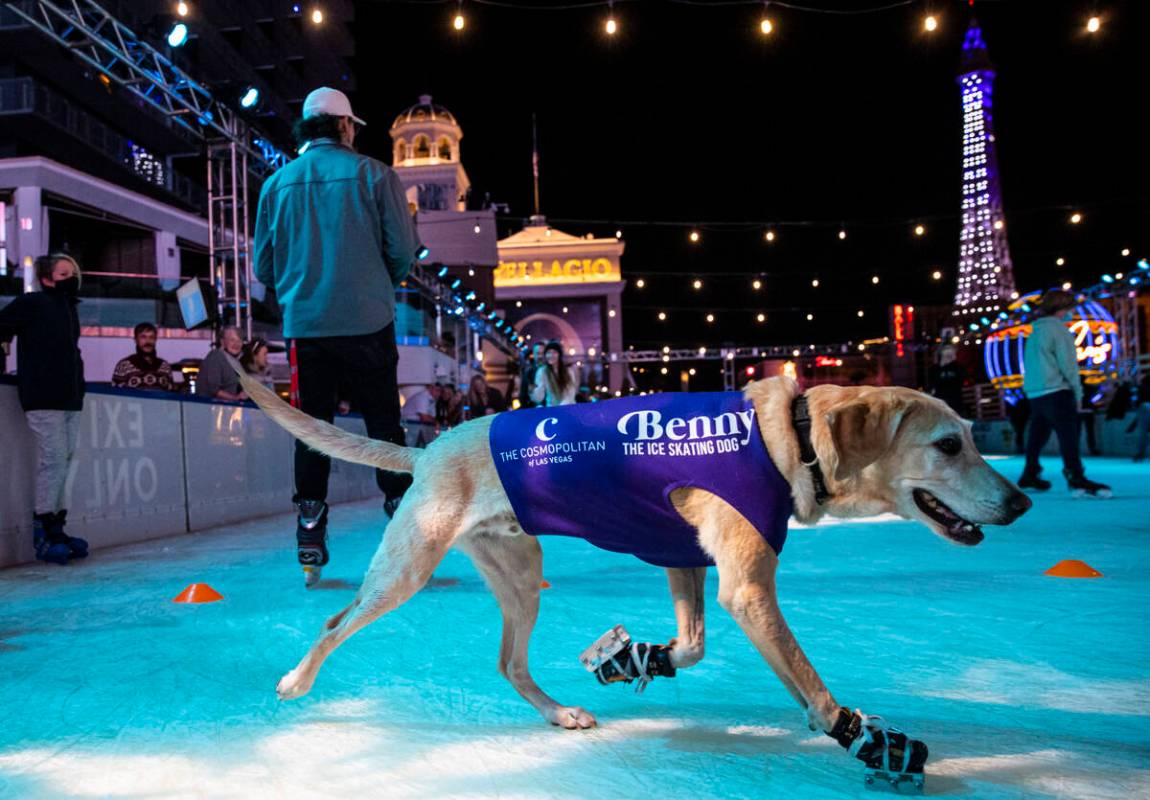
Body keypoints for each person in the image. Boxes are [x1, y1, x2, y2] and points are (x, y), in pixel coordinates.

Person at [254, 86, 417, 586]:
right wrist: (374, 282)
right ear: (346, 127)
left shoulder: (277, 184)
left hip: (307, 328)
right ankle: (404, 525)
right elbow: (404, 252)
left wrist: (301, 285)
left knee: (314, 430)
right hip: (368, 321)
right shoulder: (376, 175)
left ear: (308, 128)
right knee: (385, 427)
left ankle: (309, 527)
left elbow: (263, 265)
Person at [0, 253, 90, 564]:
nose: (71, 278)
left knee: (64, 460)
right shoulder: (33, 303)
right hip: (43, 395)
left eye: (73, 272)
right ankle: (43, 531)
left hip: (70, 396)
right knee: (53, 460)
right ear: (47, 279)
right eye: (64, 273)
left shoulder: (68, 308)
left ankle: (57, 527)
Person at [1018, 289, 1110, 496]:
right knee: (1068, 435)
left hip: (1036, 393)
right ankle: (1075, 476)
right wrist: (1077, 393)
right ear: (1062, 309)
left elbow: (1030, 364)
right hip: (1057, 391)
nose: (1072, 313)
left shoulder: (1035, 331)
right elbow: (1068, 365)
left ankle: (1030, 473)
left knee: (1037, 435)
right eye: (1070, 309)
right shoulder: (1059, 330)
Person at [111, 322, 175, 392]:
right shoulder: (124, 366)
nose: (148, 341)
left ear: (155, 340)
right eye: (143, 337)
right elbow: (116, 396)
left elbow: (171, 395)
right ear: (135, 340)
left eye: (151, 337)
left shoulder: (165, 366)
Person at [195, 326, 247, 401]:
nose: (236, 344)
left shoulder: (236, 361)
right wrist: (236, 398)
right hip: (211, 407)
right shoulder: (216, 356)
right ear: (222, 342)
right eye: (232, 340)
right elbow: (213, 389)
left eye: (239, 341)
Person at [531, 340, 578, 407]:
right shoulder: (542, 371)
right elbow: (539, 398)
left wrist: (559, 408)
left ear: (559, 355)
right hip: (552, 410)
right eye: (548, 353)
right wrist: (537, 389)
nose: (551, 355)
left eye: (554, 352)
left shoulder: (568, 371)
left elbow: (570, 395)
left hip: (568, 408)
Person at [927, 344, 966, 416]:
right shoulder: (934, 369)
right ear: (942, 352)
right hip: (941, 403)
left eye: (951, 350)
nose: (948, 352)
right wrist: (942, 365)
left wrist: (953, 363)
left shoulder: (958, 367)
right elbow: (931, 384)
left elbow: (962, 380)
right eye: (946, 349)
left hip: (956, 404)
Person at [402, 383, 441, 447]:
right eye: (437, 390)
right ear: (431, 388)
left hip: (420, 427)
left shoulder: (432, 399)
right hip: (411, 425)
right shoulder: (422, 397)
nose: (439, 393)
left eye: (440, 391)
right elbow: (424, 417)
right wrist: (436, 422)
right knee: (411, 447)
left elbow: (431, 416)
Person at [517, 343, 543, 409]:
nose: (540, 356)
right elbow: (523, 397)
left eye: (542, 353)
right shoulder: (528, 373)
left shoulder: (551, 372)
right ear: (534, 354)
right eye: (538, 353)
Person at [1134, 371, 1150, 463]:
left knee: (1143, 433)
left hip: (1144, 407)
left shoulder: (1141, 388)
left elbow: (1137, 400)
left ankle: (1140, 454)